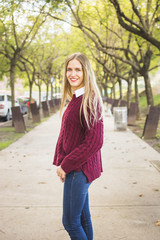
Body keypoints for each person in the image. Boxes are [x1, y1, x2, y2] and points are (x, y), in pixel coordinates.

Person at [53, 52, 104, 240]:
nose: (72, 73)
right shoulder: (75, 98)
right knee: (83, 219)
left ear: (86, 72)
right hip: (74, 168)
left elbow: (95, 141)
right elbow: (65, 134)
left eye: (77, 69)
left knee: (70, 223)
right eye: (69, 69)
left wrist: (66, 165)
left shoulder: (90, 99)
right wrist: (61, 163)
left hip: (80, 169)